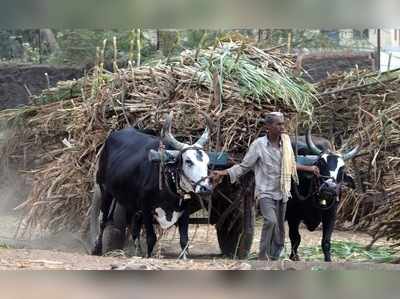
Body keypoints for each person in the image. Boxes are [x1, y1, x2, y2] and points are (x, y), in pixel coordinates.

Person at [212, 112, 319, 260]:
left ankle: (274, 257)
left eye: (282, 123)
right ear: (268, 127)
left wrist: (310, 169)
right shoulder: (259, 145)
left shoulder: (286, 144)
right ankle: (263, 255)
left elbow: (291, 164)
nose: (282, 127)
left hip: (283, 191)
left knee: (280, 228)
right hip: (265, 192)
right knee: (271, 221)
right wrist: (223, 173)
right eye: (278, 124)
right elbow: (244, 166)